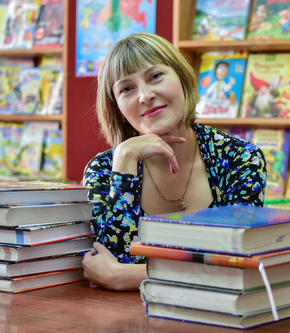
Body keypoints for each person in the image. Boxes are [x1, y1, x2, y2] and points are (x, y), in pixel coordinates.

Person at [82, 33, 267, 291]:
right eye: (127, 89)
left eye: (155, 76)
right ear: (119, 111)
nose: (145, 96)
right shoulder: (104, 170)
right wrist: (124, 161)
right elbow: (110, 260)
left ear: (182, 78)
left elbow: (234, 264)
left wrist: (127, 276)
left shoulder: (239, 158)